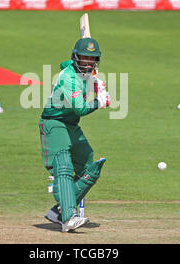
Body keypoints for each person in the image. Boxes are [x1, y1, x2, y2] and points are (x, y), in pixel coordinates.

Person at [38, 37, 109, 232]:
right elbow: (80, 109)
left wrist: (95, 84)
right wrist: (98, 102)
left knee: (89, 166)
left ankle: (58, 212)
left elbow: (79, 71)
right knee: (63, 164)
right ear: (75, 57)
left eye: (91, 59)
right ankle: (69, 217)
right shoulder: (68, 78)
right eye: (84, 58)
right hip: (54, 123)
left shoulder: (87, 74)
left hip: (71, 125)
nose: (87, 62)